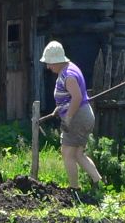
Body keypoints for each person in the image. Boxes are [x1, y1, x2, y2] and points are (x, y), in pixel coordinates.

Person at [40, 40, 103, 198]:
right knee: (78, 154)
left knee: (67, 153)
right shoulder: (70, 68)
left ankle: (74, 189)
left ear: (57, 60)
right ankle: (97, 181)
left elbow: (77, 98)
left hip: (77, 117)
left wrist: (67, 118)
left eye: (49, 63)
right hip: (83, 115)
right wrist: (59, 108)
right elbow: (69, 98)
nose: (48, 67)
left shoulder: (69, 76)